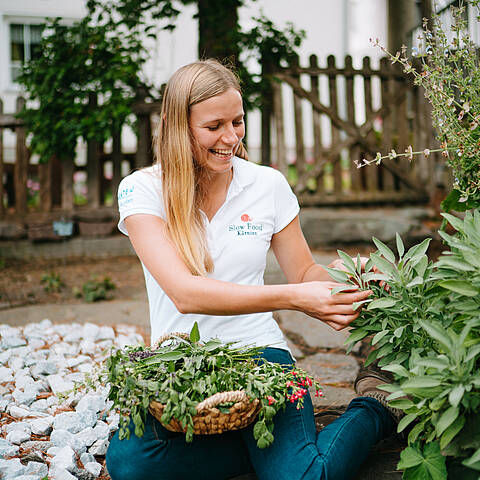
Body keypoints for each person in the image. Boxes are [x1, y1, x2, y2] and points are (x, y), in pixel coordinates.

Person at [106, 59, 399, 480]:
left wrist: (344, 277)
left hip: (260, 357)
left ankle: (375, 405)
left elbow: (303, 274)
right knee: (130, 465)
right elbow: (185, 292)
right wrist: (292, 298)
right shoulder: (142, 189)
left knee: (306, 477)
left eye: (238, 122)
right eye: (214, 126)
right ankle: (268, 450)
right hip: (179, 364)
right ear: (175, 125)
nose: (231, 138)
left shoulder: (268, 185)